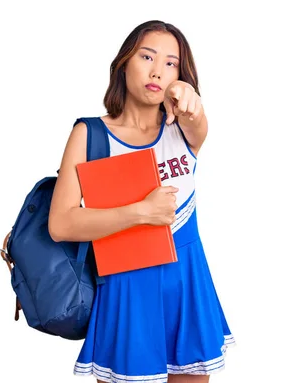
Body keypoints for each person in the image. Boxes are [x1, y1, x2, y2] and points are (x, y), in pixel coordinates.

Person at [48, 20, 235, 382]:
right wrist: (141, 213)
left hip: (187, 286)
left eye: (170, 63)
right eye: (147, 57)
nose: (157, 71)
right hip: (127, 290)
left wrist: (188, 96)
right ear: (124, 63)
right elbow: (61, 224)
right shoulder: (90, 134)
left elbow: (197, 116)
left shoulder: (184, 128)